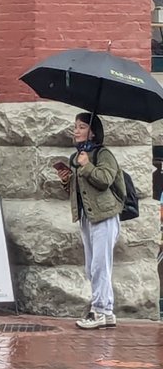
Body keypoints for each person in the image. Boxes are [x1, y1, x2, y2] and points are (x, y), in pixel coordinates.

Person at [55, 113, 124, 330]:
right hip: (87, 217)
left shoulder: (104, 154)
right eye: (75, 126)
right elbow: (78, 190)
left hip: (105, 216)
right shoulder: (76, 158)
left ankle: (100, 311)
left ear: (92, 132)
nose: (76, 130)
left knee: (100, 265)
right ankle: (107, 310)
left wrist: (86, 166)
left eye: (82, 126)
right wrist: (67, 180)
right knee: (91, 266)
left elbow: (104, 180)